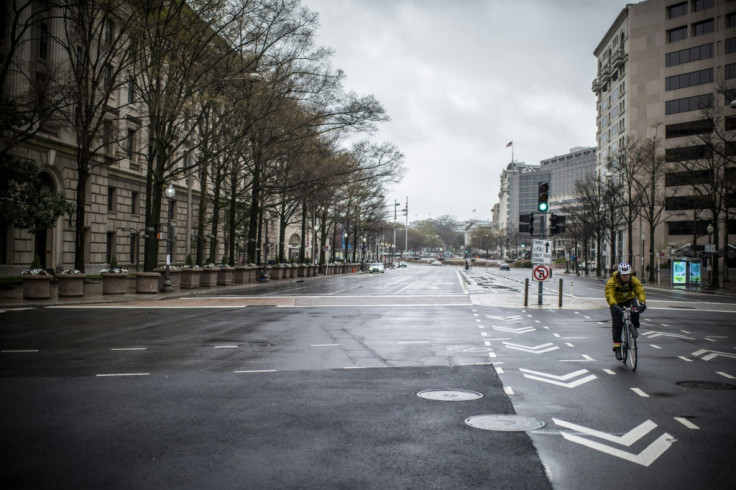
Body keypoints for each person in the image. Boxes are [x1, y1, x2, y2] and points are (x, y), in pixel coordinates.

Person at [605, 262, 646, 360]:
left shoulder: (633, 280)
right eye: (623, 275)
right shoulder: (612, 281)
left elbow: (640, 290)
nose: (625, 277)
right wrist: (614, 305)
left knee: (635, 311)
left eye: (627, 275)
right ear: (619, 274)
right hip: (617, 302)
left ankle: (634, 328)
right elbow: (609, 294)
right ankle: (617, 348)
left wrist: (642, 303)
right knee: (617, 324)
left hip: (629, 299)